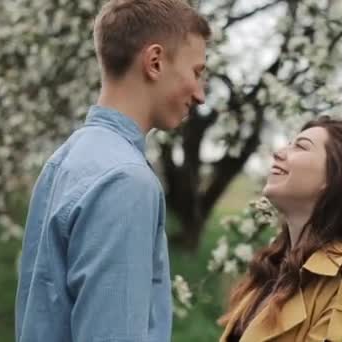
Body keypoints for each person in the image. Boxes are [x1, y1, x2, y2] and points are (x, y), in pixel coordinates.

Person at [15, 1, 210, 341]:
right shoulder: (127, 180)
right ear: (154, 62)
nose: (201, 94)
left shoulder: (66, 159)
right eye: (196, 72)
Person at [219, 116, 342, 342]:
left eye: (301, 147)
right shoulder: (273, 269)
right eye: (289, 143)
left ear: (336, 177)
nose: (279, 153)